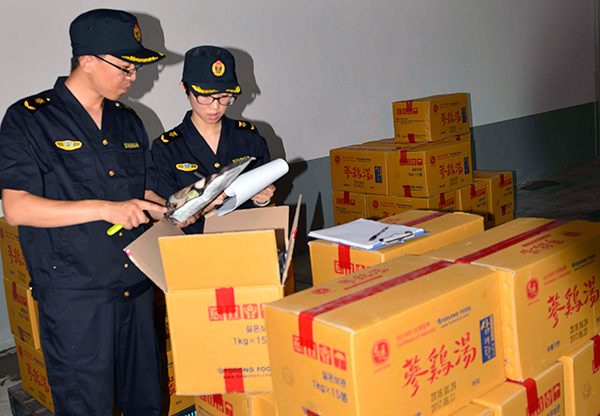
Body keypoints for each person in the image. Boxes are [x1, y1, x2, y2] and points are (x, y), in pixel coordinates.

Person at [0, 9, 218, 415]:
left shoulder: (129, 121)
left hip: (134, 289)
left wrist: (175, 209)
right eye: (125, 67)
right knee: (87, 406)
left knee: (147, 403)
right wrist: (107, 209)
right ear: (87, 61)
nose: (133, 77)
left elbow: (142, 191)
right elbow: (17, 208)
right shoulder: (29, 119)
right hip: (76, 298)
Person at [151, 45, 275, 234]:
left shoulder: (248, 137)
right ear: (185, 88)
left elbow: (264, 193)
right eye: (205, 97)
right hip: (195, 247)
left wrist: (263, 198)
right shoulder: (167, 148)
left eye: (225, 97)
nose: (215, 107)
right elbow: (165, 212)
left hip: (247, 240)